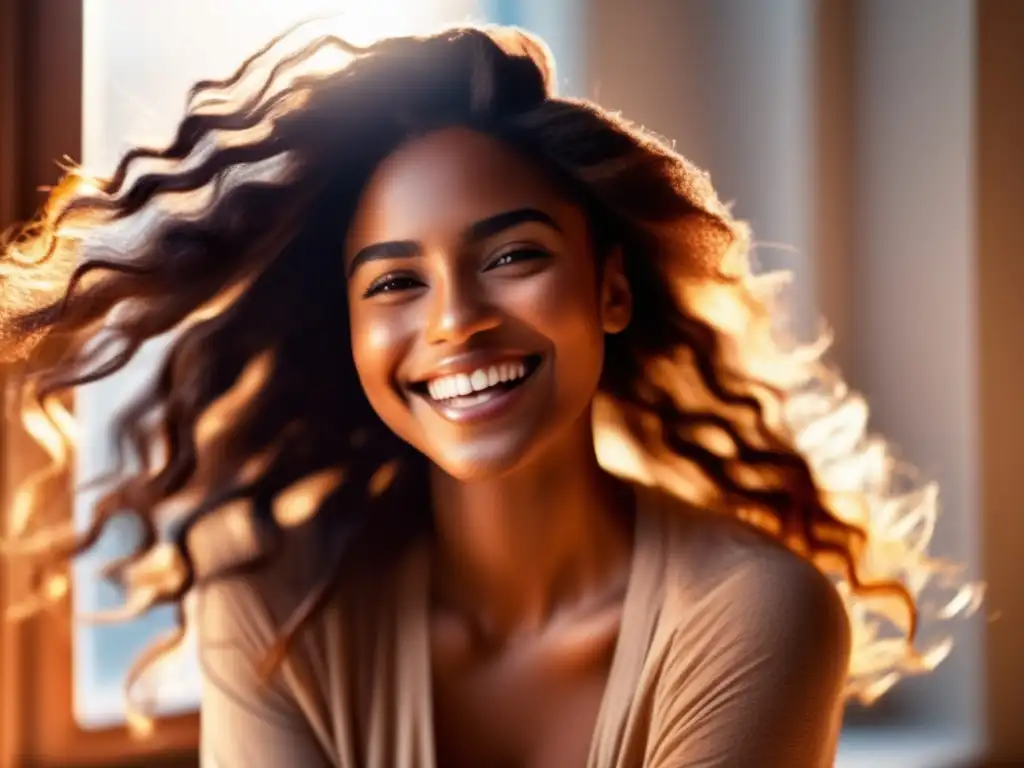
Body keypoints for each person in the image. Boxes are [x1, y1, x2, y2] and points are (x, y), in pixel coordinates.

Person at [0, 21, 950, 768]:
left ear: (610, 288)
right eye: (394, 282)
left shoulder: (757, 614)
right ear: (352, 332)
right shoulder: (273, 606)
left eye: (512, 256)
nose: (456, 323)